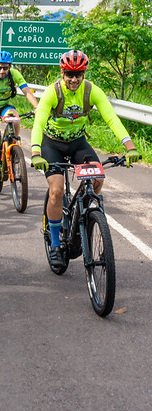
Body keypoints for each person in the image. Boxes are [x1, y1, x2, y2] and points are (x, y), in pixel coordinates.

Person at [31, 50, 140, 266]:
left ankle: (86, 218)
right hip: (52, 144)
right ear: (62, 73)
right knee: (56, 190)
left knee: (97, 179)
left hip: (78, 143)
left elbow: (111, 118)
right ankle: (54, 243)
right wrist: (35, 152)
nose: (74, 79)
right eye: (69, 74)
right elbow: (39, 122)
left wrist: (130, 146)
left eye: (78, 74)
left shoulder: (91, 91)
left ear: (83, 74)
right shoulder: (53, 93)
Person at [0, 51, 39, 191]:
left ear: (10, 67)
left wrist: (37, 107)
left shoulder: (14, 74)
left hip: (5, 106)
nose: (2, 71)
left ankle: (13, 142)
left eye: (5, 68)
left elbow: (27, 92)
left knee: (15, 118)